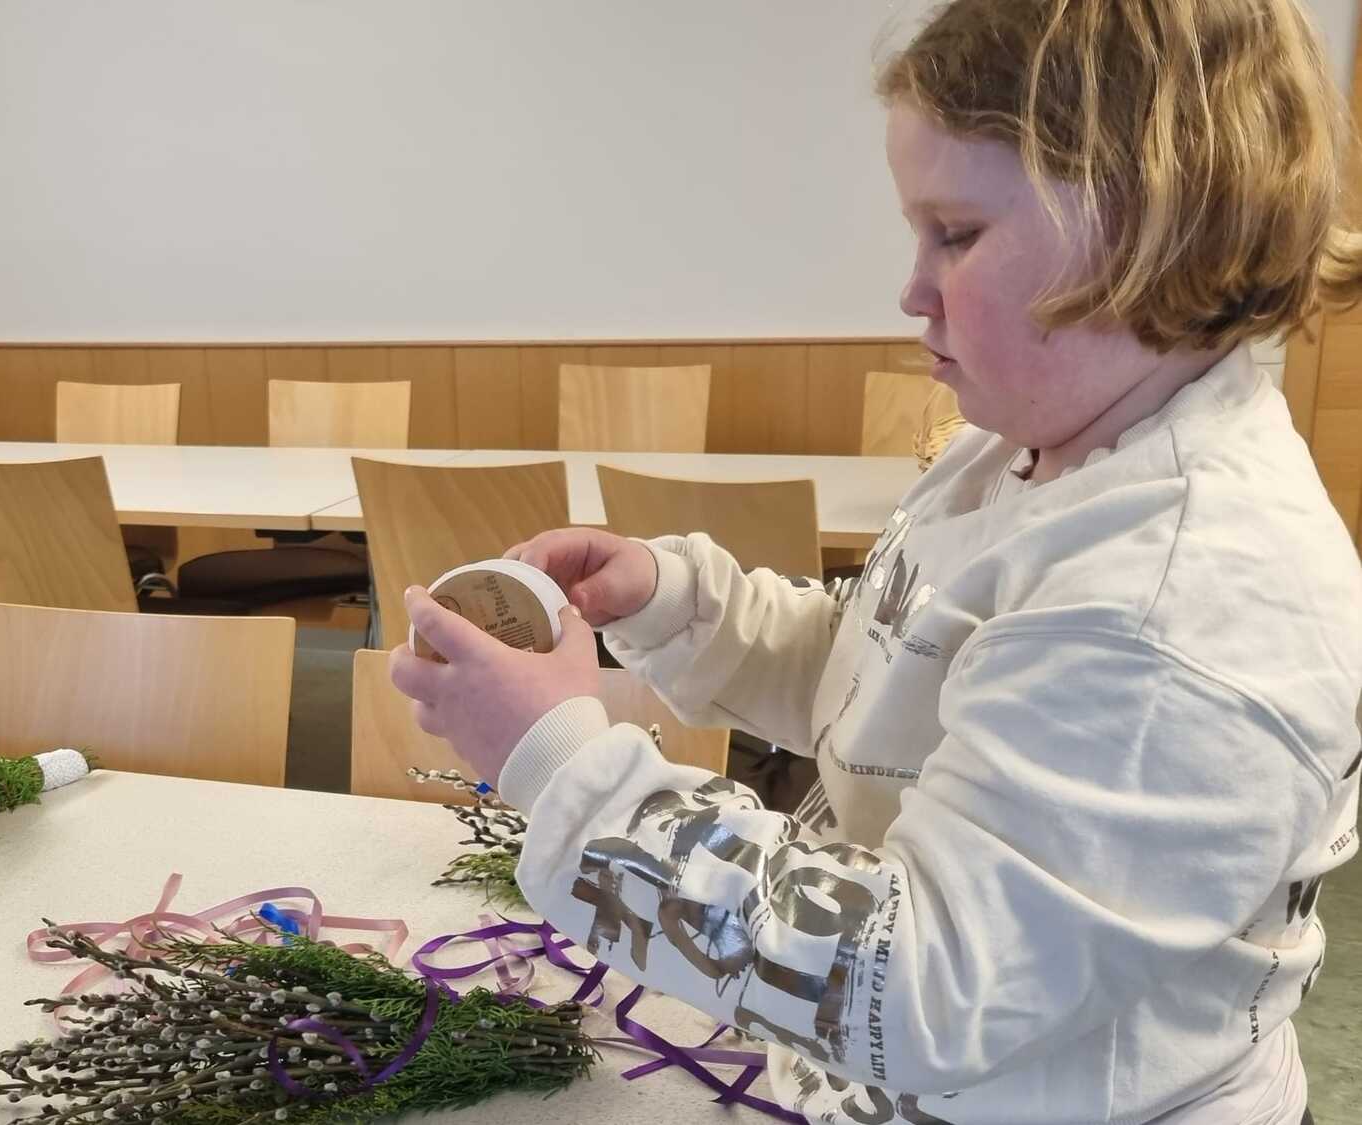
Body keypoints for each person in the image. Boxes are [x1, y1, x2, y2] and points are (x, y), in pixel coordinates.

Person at [388, 1, 1362, 1120]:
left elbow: (926, 987)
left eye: (957, 233)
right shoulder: (1025, 446)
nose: (912, 289)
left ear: (1153, 227)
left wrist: (565, 767)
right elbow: (890, 677)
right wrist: (677, 603)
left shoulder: (1179, 595)